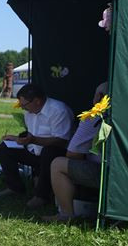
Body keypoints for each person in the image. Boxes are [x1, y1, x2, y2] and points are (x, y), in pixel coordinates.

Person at [0, 83, 74, 208]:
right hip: (34, 150)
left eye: (24, 105)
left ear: (37, 101)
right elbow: (31, 134)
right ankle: (14, 187)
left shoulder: (59, 111)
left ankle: (41, 196)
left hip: (54, 155)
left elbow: (61, 141)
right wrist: (17, 139)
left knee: (49, 151)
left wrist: (33, 140)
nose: (22, 108)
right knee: (5, 148)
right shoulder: (29, 112)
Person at [43, 83, 108, 222]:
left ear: (99, 97)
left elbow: (73, 154)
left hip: (107, 175)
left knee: (58, 164)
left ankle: (66, 214)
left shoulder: (94, 117)